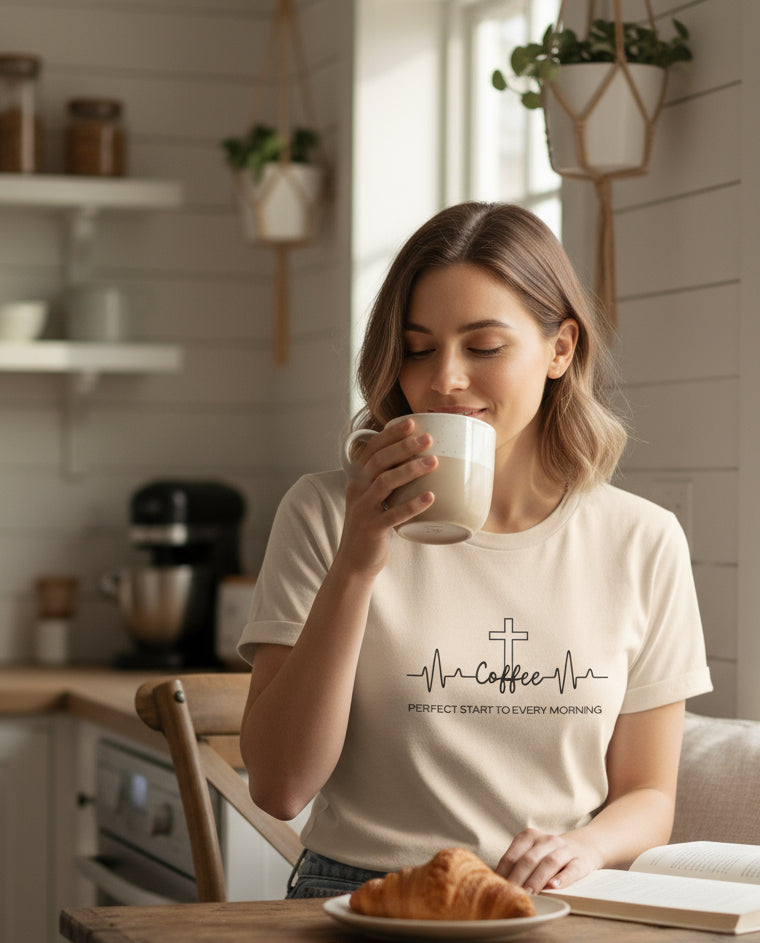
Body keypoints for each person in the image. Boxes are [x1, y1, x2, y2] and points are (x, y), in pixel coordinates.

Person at [238, 201, 712, 899]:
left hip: (553, 904)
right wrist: (359, 561)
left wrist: (582, 847)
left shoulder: (642, 540)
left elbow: (649, 796)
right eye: (418, 348)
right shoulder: (323, 513)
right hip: (361, 899)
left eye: (483, 347)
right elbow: (280, 787)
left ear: (561, 349)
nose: (444, 379)